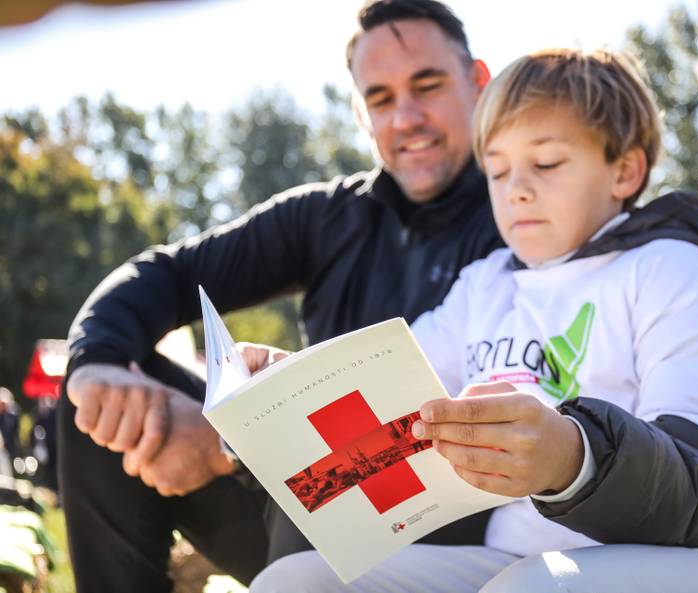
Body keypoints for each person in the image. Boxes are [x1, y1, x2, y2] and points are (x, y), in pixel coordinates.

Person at [250, 48, 698, 593]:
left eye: (545, 163)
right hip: (525, 562)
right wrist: (294, 388)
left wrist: (574, 457)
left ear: (625, 171)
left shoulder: (682, 273)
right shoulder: (485, 285)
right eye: (497, 169)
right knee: (297, 581)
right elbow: (391, 389)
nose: (515, 190)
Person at [60, 1, 503, 591]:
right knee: (113, 400)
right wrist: (93, 368)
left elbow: (463, 430)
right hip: (298, 512)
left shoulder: (528, 215)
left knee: (322, 518)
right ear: (360, 112)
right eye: (381, 98)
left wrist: (226, 447)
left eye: (428, 85)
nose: (407, 117)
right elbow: (165, 273)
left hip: (454, 531)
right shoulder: (325, 218)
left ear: (478, 83)